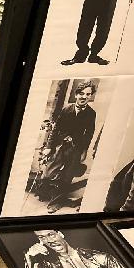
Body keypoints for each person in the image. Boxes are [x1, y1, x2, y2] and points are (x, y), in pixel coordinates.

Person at [34, 80, 97, 212]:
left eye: (88, 94)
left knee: (67, 177)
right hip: (60, 146)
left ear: (91, 96)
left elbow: (89, 134)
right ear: (76, 94)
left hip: (76, 149)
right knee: (48, 173)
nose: (84, 97)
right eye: (81, 93)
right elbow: (56, 128)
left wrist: (84, 151)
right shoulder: (66, 109)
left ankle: (55, 203)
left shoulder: (91, 113)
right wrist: (49, 147)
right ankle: (43, 192)